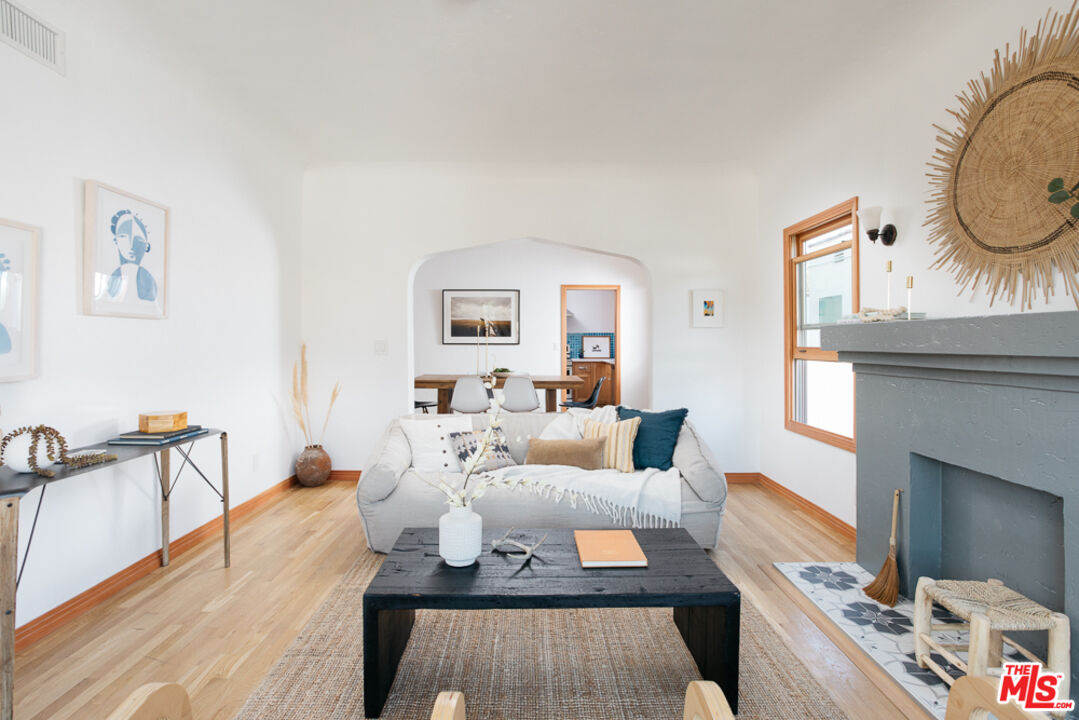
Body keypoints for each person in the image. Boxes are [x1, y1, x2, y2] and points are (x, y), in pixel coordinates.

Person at [107, 209, 157, 301]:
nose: (130, 245)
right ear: (115, 240)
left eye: (138, 239)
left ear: (146, 246)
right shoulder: (111, 280)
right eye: (123, 236)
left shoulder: (149, 282)